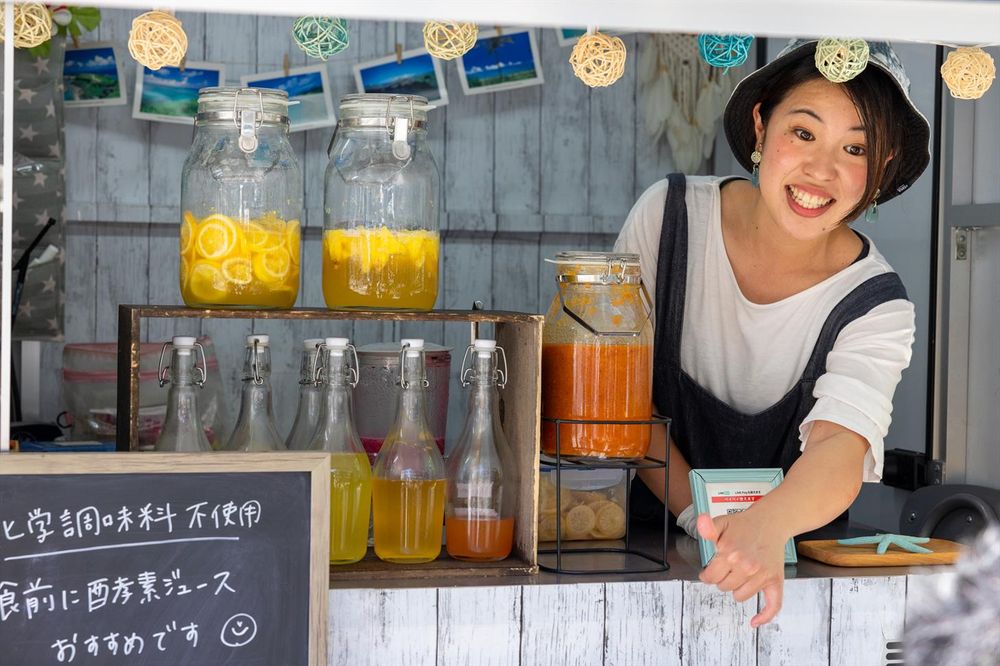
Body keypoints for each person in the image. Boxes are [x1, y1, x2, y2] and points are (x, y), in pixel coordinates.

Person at [614, 39, 930, 627]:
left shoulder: (876, 304)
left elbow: (841, 448)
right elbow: (619, 401)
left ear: (882, 168)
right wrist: (705, 525)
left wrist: (764, 528)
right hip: (638, 559)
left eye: (855, 147)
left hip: (794, 585)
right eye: (803, 133)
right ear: (761, 125)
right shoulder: (669, 219)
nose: (821, 170)